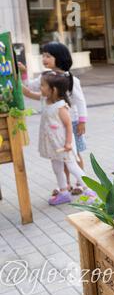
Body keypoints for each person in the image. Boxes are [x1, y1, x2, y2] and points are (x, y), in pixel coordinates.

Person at [20, 42, 88, 196]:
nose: (44, 58)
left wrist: (82, 121)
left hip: (72, 122)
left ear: (59, 57)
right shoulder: (45, 77)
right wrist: (24, 74)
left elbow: (80, 101)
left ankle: (81, 184)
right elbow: (31, 87)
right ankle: (66, 185)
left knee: (74, 155)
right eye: (43, 55)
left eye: (48, 56)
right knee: (60, 155)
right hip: (54, 124)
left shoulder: (71, 79)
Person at [23, 71, 93, 205]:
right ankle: (63, 192)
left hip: (63, 143)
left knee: (73, 167)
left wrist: (68, 143)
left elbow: (68, 126)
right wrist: (19, 83)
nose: (40, 87)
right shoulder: (45, 99)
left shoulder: (61, 107)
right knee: (56, 167)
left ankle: (90, 190)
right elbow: (29, 93)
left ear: (53, 90)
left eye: (42, 85)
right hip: (53, 144)